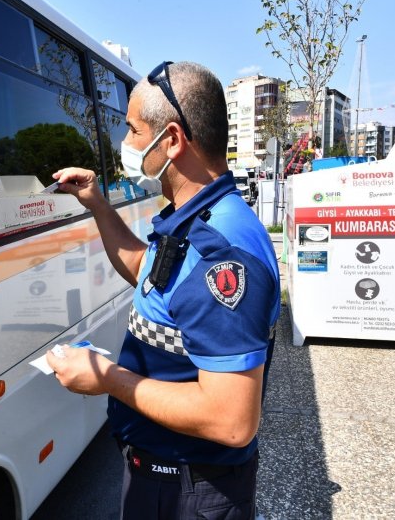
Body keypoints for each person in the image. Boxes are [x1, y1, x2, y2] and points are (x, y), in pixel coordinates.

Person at [46, 61, 280, 519]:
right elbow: (146, 273)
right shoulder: (193, 215)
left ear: (171, 140)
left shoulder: (221, 256)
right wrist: (96, 202)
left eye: (133, 131)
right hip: (165, 477)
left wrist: (107, 378)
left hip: (189, 493)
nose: (125, 145)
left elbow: (231, 421)